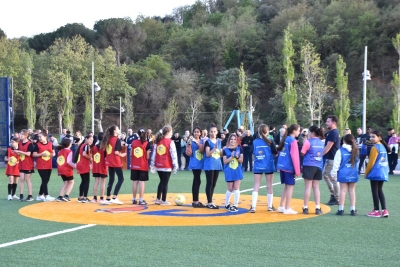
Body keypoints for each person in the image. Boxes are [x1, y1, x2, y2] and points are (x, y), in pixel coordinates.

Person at [249, 124, 278, 213]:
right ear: (267, 131)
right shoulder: (270, 141)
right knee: (269, 186)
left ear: (258, 131)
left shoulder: (255, 142)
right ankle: (269, 206)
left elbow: (251, 152)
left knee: (256, 186)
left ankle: (253, 207)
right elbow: (275, 153)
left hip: (258, 166)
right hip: (268, 165)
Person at [331, 134, 359, 216]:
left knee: (342, 191)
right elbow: (357, 162)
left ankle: (341, 209)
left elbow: (336, 164)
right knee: (352, 191)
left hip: (343, 173)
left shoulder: (340, 151)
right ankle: (353, 210)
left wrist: (333, 174)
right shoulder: (356, 150)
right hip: (353, 173)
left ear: (344, 141)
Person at [150, 125, 178, 205]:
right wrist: (175, 165)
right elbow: (174, 155)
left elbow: (154, 154)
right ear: (168, 132)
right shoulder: (170, 142)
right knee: (165, 183)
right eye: (171, 131)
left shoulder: (158, 141)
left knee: (161, 182)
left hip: (158, 165)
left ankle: (158, 199)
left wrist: (152, 164)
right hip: (166, 165)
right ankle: (163, 200)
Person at [276, 124, 301, 214]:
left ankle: (281, 206)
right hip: (289, 167)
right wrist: (297, 170)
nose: (299, 132)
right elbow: (294, 156)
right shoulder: (293, 141)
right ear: (294, 131)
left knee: (286, 187)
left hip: (283, 166)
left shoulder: (285, 138)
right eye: (298, 130)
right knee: (290, 187)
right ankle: (287, 208)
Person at [365, 130, 390, 218]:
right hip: (382, 172)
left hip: (375, 172)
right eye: (370, 137)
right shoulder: (383, 146)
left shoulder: (375, 147)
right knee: (380, 190)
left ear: (379, 137)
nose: (371, 138)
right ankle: (384, 210)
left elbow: (371, 162)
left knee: (375, 191)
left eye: (373, 136)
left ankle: (376, 210)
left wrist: (366, 172)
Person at [301, 126, 324, 215]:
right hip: (318, 165)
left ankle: (305, 207)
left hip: (309, 165)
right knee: (316, 187)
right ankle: (317, 207)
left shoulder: (308, 141)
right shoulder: (321, 142)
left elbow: (302, 153)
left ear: (312, 132)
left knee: (307, 187)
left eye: (310, 132)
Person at [101, 125, 127, 205]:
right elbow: (116, 152)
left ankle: (108, 198)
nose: (119, 129)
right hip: (115, 161)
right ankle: (114, 197)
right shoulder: (117, 139)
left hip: (109, 161)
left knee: (111, 179)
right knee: (121, 179)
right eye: (117, 129)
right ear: (115, 131)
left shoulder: (108, 139)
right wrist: (122, 155)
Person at [222, 133, 244, 212]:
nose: (233, 141)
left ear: (236, 141)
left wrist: (237, 157)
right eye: (231, 139)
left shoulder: (239, 149)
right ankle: (227, 203)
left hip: (237, 171)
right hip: (229, 171)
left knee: (236, 188)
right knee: (230, 188)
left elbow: (241, 161)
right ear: (229, 140)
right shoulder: (225, 150)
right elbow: (225, 161)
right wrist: (231, 157)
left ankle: (235, 205)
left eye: (234, 139)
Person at [203, 124, 223, 209]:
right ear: (209, 132)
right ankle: (209, 202)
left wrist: (223, 151)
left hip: (217, 164)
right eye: (211, 131)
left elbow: (221, 154)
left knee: (214, 184)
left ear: (217, 132)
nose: (213, 133)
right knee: (209, 183)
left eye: (214, 131)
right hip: (209, 165)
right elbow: (207, 154)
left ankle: (210, 201)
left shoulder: (219, 142)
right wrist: (215, 148)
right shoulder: (207, 142)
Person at [322, 115, 341, 206]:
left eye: (328, 121)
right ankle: (334, 195)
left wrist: (320, 155)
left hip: (332, 159)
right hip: (330, 159)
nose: (326, 123)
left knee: (332, 178)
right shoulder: (331, 132)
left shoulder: (334, 132)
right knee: (326, 175)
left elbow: (329, 146)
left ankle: (336, 198)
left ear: (333, 123)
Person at [33, 132, 56, 201]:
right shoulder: (37, 145)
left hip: (49, 164)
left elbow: (53, 152)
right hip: (41, 165)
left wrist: (53, 154)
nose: (39, 138)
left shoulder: (50, 144)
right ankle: (46, 196)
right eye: (39, 137)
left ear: (45, 137)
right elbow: (34, 154)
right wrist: (41, 154)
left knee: (46, 180)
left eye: (41, 137)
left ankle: (40, 195)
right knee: (44, 180)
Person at [131, 128, 151, 205]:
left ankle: (134, 199)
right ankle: (141, 199)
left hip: (134, 164)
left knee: (135, 181)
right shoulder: (146, 143)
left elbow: (131, 154)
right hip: (142, 165)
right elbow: (147, 157)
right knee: (141, 182)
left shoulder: (133, 142)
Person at [186, 127, 205, 208]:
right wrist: (188, 145)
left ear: (200, 133)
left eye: (198, 132)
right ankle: (195, 201)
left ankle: (195, 200)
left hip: (201, 163)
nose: (196, 133)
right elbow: (189, 154)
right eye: (195, 132)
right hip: (194, 163)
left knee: (196, 181)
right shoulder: (190, 141)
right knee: (197, 180)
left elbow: (202, 149)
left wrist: (196, 142)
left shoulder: (202, 141)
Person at [16, 129, 35, 201]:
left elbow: (28, 154)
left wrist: (20, 151)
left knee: (28, 179)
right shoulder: (19, 143)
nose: (20, 135)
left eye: (22, 134)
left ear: (26, 135)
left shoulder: (30, 144)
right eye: (20, 134)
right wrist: (16, 152)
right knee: (21, 179)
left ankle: (30, 195)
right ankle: (21, 195)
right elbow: (20, 153)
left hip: (28, 164)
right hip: (21, 163)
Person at [75, 135, 93, 203]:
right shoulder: (86, 146)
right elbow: (84, 154)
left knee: (83, 181)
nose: (91, 141)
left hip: (80, 164)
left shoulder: (82, 145)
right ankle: (85, 197)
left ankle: (80, 197)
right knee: (86, 181)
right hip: (84, 165)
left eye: (92, 140)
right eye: (90, 139)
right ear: (86, 139)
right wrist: (90, 158)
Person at [91, 132, 108, 203]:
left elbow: (92, 156)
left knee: (96, 182)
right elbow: (106, 157)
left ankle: (94, 198)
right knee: (103, 182)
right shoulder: (104, 147)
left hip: (96, 166)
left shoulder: (94, 147)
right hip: (103, 166)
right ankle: (101, 198)